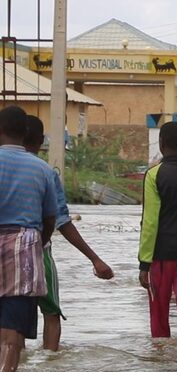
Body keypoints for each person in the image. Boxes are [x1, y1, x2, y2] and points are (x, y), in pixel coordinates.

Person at [24, 115, 114, 352]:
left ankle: (13, 369)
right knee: (51, 312)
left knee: (10, 316)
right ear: (40, 140)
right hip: (37, 252)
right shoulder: (45, 172)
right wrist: (95, 259)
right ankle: (50, 362)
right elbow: (61, 222)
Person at [0, 105, 57, 372]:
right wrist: (38, 243)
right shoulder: (43, 170)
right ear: (25, 133)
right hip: (25, 245)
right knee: (14, 326)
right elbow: (49, 220)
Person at [139, 122, 177, 341]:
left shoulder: (154, 174)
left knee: (159, 312)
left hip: (161, 254)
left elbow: (149, 222)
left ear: (161, 144)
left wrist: (144, 263)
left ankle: (160, 359)